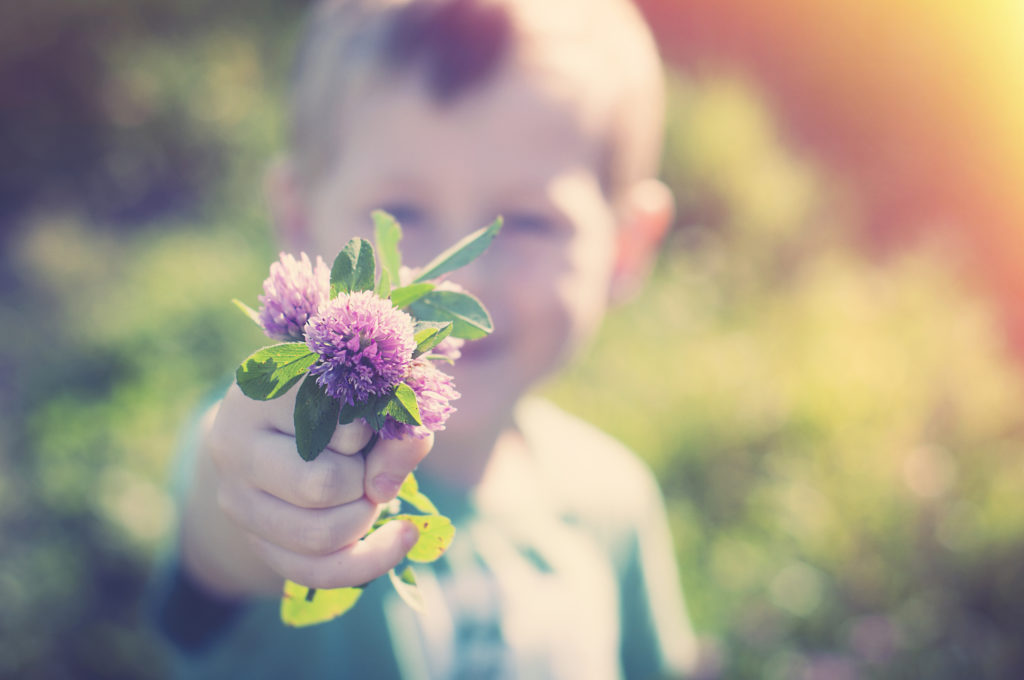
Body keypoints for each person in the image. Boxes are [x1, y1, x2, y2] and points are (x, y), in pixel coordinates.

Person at [152, 0, 700, 676]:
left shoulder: (616, 498)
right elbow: (225, 512)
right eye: (402, 213)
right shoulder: (271, 447)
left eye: (527, 222)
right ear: (296, 218)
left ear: (625, 247)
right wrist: (264, 507)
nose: (458, 286)